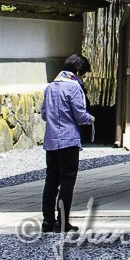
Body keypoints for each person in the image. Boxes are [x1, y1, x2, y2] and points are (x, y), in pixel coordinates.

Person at [41, 54, 95, 233]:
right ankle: (63, 222)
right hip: (68, 139)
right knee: (67, 181)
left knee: (51, 180)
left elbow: (43, 114)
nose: (83, 79)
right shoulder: (74, 88)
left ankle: (48, 221)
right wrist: (90, 118)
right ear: (78, 72)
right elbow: (80, 115)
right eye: (83, 75)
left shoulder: (50, 87)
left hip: (51, 140)